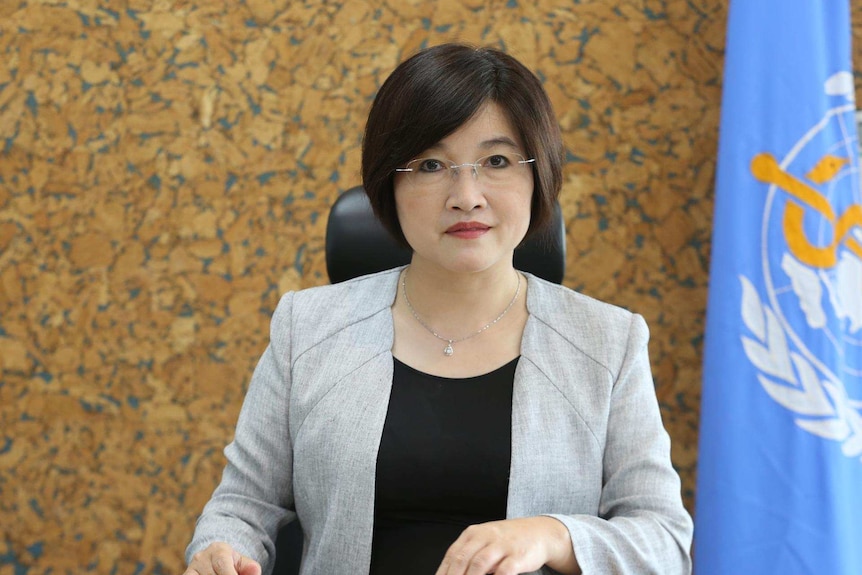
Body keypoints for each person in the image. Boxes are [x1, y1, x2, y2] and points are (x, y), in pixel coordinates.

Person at [183, 43, 693, 575]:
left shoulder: (607, 341)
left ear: (537, 175)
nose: (466, 195)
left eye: (496, 161)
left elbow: (663, 542)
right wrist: (220, 551)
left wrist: (554, 535)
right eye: (431, 164)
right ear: (391, 184)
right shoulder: (306, 327)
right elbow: (242, 506)